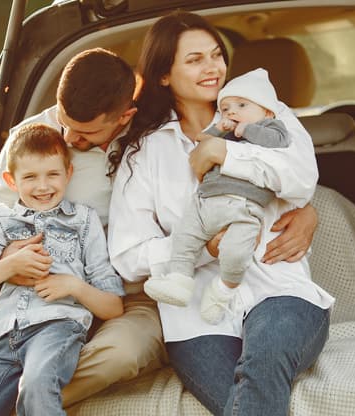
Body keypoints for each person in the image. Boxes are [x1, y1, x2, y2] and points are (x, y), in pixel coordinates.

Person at [0, 47, 321, 416]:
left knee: (124, 352)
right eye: (65, 123)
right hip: (44, 288)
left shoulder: (158, 139)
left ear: (124, 117)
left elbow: (240, 180)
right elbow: (0, 225)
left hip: (128, 293)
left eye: (85, 134)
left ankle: (2, 406)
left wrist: (308, 209)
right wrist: (13, 261)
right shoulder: (31, 141)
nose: (70, 139)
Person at [108, 11, 335, 416]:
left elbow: (302, 177)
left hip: (280, 292)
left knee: (261, 368)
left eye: (215, 55)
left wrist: (226, 152)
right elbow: (127, 256)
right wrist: (203, 248)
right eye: (194, 60)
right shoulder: (144, 154)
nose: (212, 67)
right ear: (163, 74)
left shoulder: (270, 114)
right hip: (196, 319)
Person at [0, 123, 125, 416]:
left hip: (56, 328)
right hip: (4, 337)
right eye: (30, 177)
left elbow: (114, 306)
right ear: (11, 181)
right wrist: (9, 265)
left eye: (52, 174)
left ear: (68, 174)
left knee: (36, 386)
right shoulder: (2, 221)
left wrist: (73, 286)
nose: (43, 187)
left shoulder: (83, 221)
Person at [144, 68, 293, 327]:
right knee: (184, 237)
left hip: (243, 208)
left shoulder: (271, 128)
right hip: (205, 203)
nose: (232, 112)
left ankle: (224, 289)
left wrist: (245, 129)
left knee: (236, 252)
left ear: (267, 111)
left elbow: (278, 141)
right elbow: (202, 142)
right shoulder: (224, 131)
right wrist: (217, 129)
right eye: (225, 108)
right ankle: (178, 280)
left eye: (241, 105)